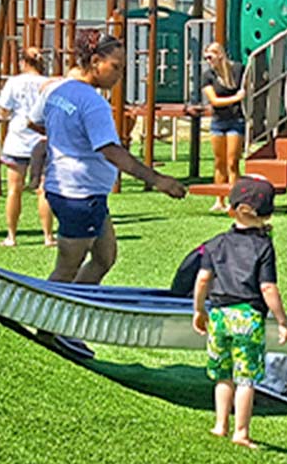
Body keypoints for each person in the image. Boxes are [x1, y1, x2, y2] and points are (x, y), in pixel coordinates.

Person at [43, 35, 187, 284]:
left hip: (72, 190)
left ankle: (78, 311)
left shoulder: (59, 90)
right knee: (66, 269)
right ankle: (44, 321)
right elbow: (111, 150)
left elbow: (36, 122)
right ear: (96, 61)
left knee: (104, 258)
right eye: (116, 67)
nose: (119, 75)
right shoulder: (93, 102)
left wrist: (66, 140)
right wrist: (157, 179)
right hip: (80, 195)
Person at [191, 176, 287, 449]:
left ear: (231, 208)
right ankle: (241, 432)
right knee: (246, 379)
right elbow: (268, 287)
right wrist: (282, 321)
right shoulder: (263, 246)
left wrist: (199, 310)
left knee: (223, 375)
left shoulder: (215, 244)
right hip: (248, 317)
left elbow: (202, 280)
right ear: (268, 213)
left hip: (219, 316)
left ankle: (220, 424)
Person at [0, 46, 58, 248]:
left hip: (18, 139)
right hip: (43, 139)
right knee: (44, 190)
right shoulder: (49, 83)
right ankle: (48, 236)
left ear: (23, 63)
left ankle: (11, 236)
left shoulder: (13, 82)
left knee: (14, 189)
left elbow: (3, 111)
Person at [202, 44, 249, 212]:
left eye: (210, 57)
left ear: (220, 55)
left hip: (235, 120)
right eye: (206, 58)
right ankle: (219, 200)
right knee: (219, 161)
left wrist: (242, 96)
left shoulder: (237, 70)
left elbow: (248, 84)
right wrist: (235, 98)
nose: (208, 61)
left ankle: (234, 200)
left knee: (232, 161)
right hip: (218, 121)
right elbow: (214, 100)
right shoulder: (208, 76)